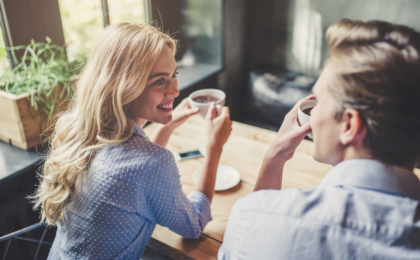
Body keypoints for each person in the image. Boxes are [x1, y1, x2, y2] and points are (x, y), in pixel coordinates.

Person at [219, 19, 420, 259]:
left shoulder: (253, 220)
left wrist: (273, 156)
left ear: (349, 125)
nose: (312, 112)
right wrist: (277, 155)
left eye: (320, 101)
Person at [32, 23, 232, 259]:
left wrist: (167, 126)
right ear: (124, 86)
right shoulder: (153, 163)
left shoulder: (81, 131)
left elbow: (135, 170)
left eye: (174, 75)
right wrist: (214, 147)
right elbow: (193, 225)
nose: (176, 90)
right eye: (160, 81)